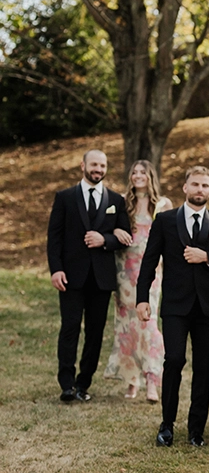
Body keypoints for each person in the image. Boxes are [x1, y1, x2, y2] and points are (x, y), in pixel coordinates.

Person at [137, 165, 209, 447]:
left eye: (205, 186)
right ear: (185, 187)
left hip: (208, 308)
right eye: (195, 185)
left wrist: (206, 257)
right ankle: (166, 425)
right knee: (175, 359)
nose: (200, 190)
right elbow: (149, 261)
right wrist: (142, 298)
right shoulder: (166, 220)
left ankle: (196, 430)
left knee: (204, 368)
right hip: (175, 306)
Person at [47, 149, 132, 403]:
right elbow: (55, 237)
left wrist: (104, 239)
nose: (98, 169)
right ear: (83, 165)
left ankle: (84, 383)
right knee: (70, 328)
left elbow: (125, 238)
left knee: (95, 333)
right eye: (94, 164)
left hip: (102, 278)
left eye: (102, 165)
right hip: (71, 276)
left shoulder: (116, 200)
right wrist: (56, 269)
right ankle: (66, 384)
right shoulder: (65, 197)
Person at [105, 159, 171, 402]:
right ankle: (132, 380)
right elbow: (109, 227)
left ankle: (152, 379)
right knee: (126, 323)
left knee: (148, 322)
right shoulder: (122, 202)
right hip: (124, 269)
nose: (138, 175)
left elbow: (169, 237)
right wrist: (113, 232)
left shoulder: (162, 204)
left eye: (143, 172)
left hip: (151, 269)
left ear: (151, 175)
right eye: (134, 172)